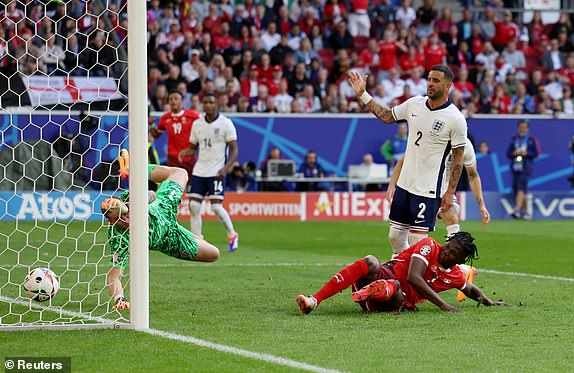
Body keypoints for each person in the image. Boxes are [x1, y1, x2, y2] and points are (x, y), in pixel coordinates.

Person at [348, 66, 468, 257]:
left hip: (427, 189)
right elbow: (387, 117)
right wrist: (363, 94)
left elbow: (458, 159)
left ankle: (443, 275)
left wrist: (450, 191)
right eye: (429, 79)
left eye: (436, 81)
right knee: (395, 237)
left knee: (417, 242)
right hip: (405, 185)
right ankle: (401, 277)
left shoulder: (455, 119)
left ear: (448, 86)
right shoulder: (414, 104)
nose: (430, 84)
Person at [102, 150, 220, 311]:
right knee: (213, 254)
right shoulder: (119, 238)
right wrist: (119, 298)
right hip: (168, 240)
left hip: (164, 208)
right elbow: (113, 276)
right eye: (121, 217)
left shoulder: (131, 200)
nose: (126, 217)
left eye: (126, 213)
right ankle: (184, 234)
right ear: (112, 220)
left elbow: (152, 194)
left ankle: (133, 168)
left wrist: (142, 201)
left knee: (180, 172)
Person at [296, 232, 511, 314]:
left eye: (452, 252)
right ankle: (314, 301)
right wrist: (444, 305)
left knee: (396, 288)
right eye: (448, 246)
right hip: (384, 275)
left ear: (460, 260)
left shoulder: (454, 274)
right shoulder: (429, 246)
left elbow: (469, 288)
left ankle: (373, 293)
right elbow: (413, 277)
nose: (446, 251)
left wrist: (489, 302)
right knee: (371, 261)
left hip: (395, 300)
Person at [387, 137, 491, 301]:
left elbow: (473, 175)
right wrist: (392, 184)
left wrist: (482, 205)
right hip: (413, 187)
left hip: (439, 191)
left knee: (438, 224)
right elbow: (405, 160)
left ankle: (412, 280)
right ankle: (463, 270)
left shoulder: (465, 145)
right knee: (395, 237)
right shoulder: (429, 134)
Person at [178, 93, 240, 252]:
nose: (207, 105)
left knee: (216, 208)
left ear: (216, 104)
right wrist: (186, 152)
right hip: (200, 170)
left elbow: (234, 149)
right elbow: (193, 148)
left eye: (211, 102)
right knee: (193, 206)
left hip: (217, 171)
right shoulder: (197, 124)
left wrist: (227, 168)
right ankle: (196, 241)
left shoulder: (226, 123)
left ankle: (232, 234)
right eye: (205, 102)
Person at [149, 90, 200, 192]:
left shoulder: (193, 115)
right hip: (173, 157)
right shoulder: (165, 118)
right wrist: (151, 126)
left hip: (188, 157)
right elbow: (156, 135)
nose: (173, 101)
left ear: (182, 101)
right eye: (170, 99)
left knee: (191, 186)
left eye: (176, 98)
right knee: (175, 186)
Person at [506, 120, 541, 220]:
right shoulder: (513, 139)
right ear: (518, 128)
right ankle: (526, 213)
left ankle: (517, 209)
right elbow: (508, 154)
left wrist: (527, 154)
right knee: (519, 189)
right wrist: (514, 153)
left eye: (524, 127)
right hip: (515, 167)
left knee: (521, 186)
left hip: (526, 167)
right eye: (521, 127)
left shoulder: (531, 139)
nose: (522, 129)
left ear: (527, 128)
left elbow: (537, 153)